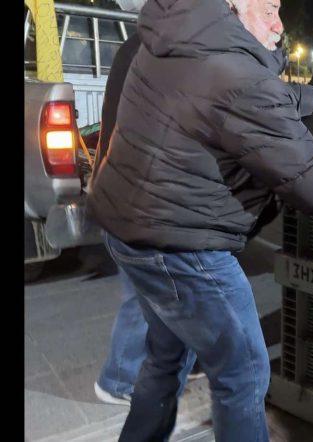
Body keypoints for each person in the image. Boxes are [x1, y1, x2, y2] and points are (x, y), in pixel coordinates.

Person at [87, 0, 313, 441]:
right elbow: (306, 173)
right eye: (268, 10)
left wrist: (307, 98)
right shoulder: (233, 72)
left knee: (167, 356)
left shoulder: (182, 33)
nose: (279, 25)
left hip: (130, 228)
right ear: (234, 5)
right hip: (182, 247)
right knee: (242, 372)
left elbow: (225, 93)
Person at [89, 0, 198, 407]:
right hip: (141, 199)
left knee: (154, 292)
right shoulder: (159, 49)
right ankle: (118, 380)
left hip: (123, 191)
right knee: (152, 293)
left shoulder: (136, 45)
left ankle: (167, 363)